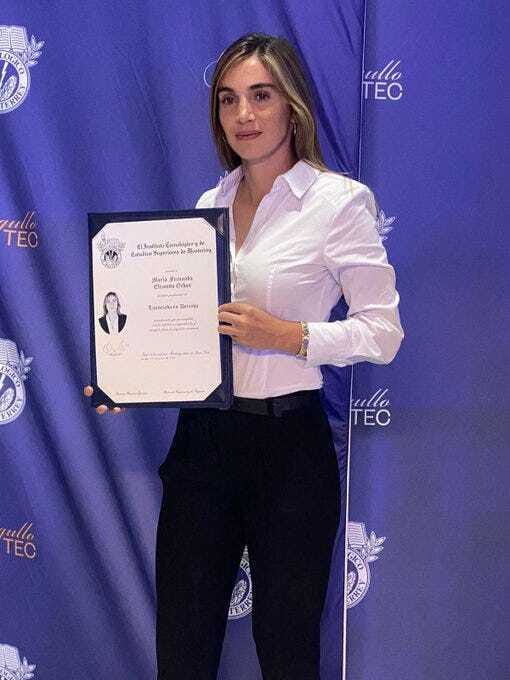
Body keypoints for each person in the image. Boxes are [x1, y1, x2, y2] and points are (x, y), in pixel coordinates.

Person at [85, 32, 404, 680]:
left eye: (261, 96)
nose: (244, 114)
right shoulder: (210, 207)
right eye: (229, 99)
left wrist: (291, 335)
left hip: (290, 449)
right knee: (182, 650)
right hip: (203, 444)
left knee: (287, 653)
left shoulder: (338, 203)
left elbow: (384, 332)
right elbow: (186, 334)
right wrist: (131, 377)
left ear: (293, 105)